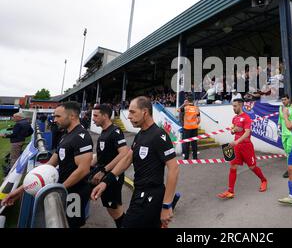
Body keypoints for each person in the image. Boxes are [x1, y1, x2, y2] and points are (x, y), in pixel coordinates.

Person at [91, 96, 179, 228]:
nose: (129, 116)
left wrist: (167, 205)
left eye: (132, 112)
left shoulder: (159, 135)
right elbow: (127, 158)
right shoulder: (140, 135)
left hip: (150, 196)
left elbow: (174, 169)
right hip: (138, 193)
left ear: (145, 112)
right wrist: (105, 181)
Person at [1, 102, 93, 228]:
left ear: (72, 116)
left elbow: (83, 170)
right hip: (63, 190)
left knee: (72, 225)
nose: (54, 120)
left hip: (74, 194)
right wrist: (20, 191)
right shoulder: (66, 135)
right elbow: (49, 165)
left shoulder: (82, 137)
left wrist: (59, 189)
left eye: (58, 116)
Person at [216, 99, 267, 199]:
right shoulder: (234, 118)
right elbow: (234, 129)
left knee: (252, 167)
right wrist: (233, 131)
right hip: (236, 147)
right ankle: (230, 191)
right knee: (233, 167)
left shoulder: (246, 118)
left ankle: (264, 180)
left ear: (240, 105)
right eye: (233, 106)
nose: (233, 108)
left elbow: (247, 132)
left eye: (235, 106)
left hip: (246, 146)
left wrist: (237, 141)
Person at [90, 104, 129, 228]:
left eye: (96, 116)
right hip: (103, 173)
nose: (93, 119)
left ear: (105, 116)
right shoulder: (104, 132)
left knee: (115, 210)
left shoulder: (115, 131)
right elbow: (101, 154)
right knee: (111, 208)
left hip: (112, 176)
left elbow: (124, 153)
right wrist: (89, 165)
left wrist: (104, 170)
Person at [278, 94, 292, 178]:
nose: (283, 101)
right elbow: (280, 118)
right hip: (283, 133)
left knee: (289, 151)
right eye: (282, 100)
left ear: (289, 99)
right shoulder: (280, 108)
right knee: (287, 152)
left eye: (285, 99)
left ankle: (290, 170)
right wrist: (278, 127)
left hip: (291, 133)